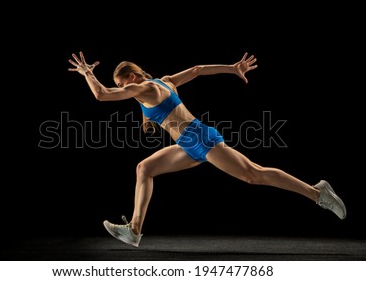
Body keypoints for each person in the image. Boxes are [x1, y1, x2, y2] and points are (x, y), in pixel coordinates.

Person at [68, 51, 346, 248]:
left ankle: (317, 192)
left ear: (131, 76)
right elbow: (198, 70)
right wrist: (231, 68)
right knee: (144, 168)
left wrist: (88, 73)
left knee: (253, 174)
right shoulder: (162, 81)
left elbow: (101, 94)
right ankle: (135, 231)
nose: (121, 89)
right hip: (187, 144)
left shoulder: (145, 88)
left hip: (199, 138)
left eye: (121, 84)